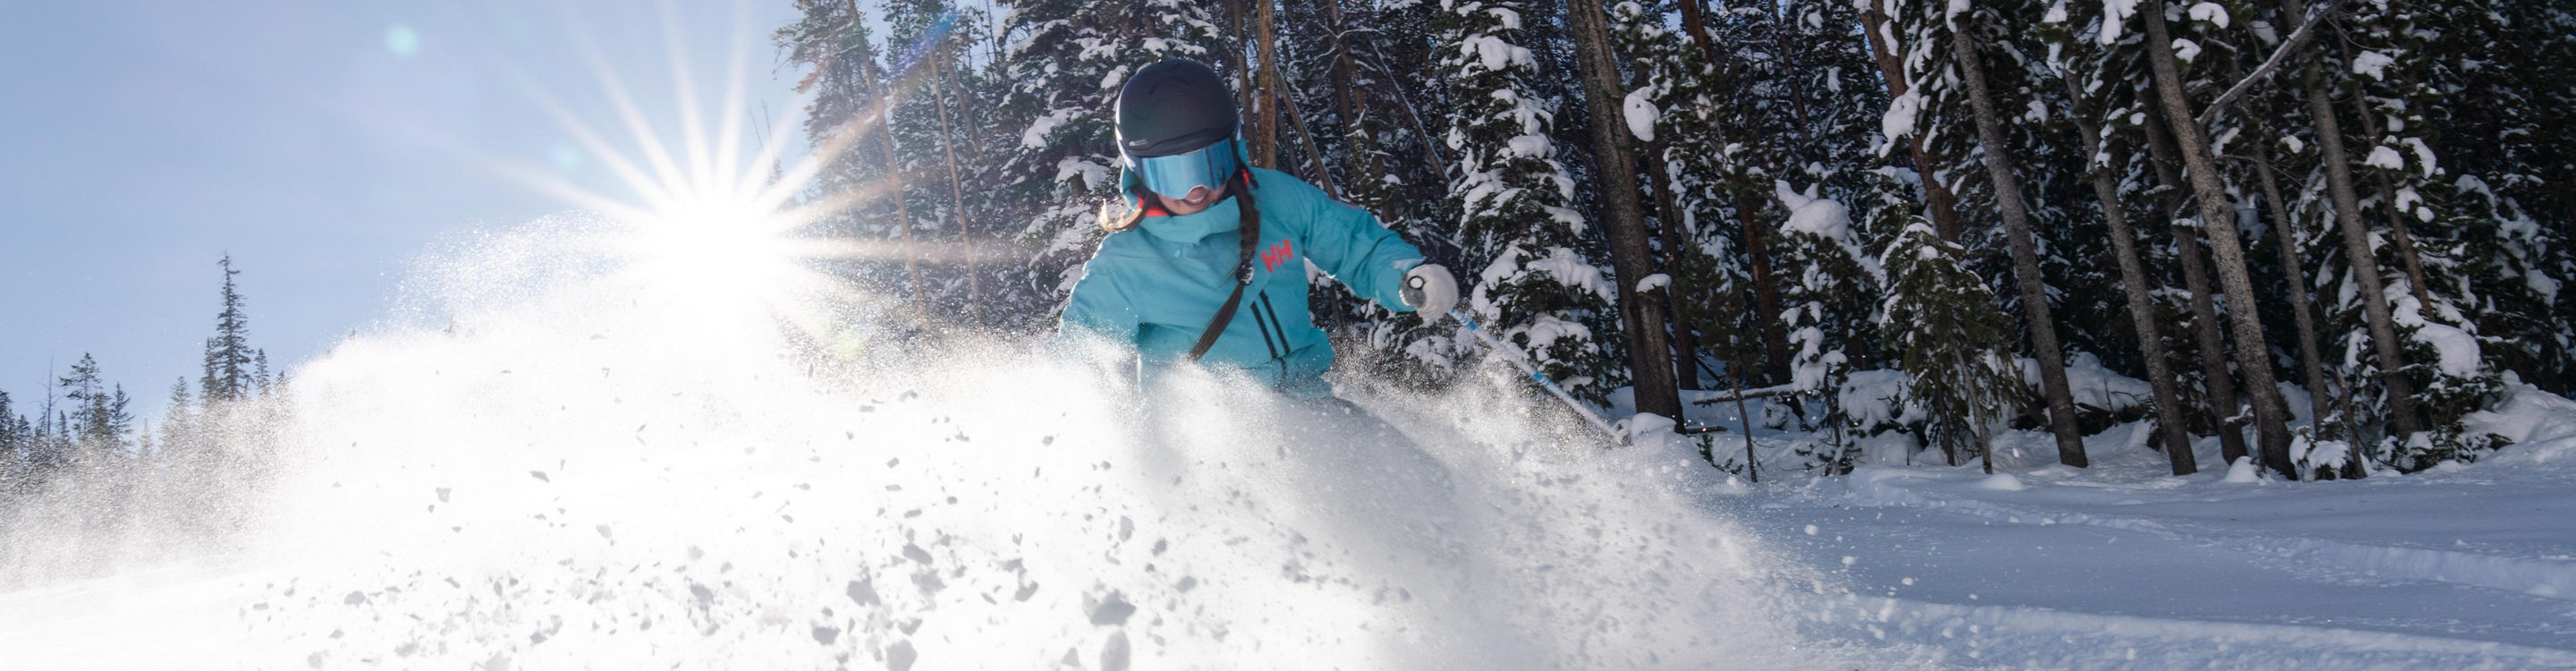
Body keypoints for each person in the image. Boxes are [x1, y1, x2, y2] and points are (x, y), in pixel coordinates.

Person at [1057, 58, 1457, 400]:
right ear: (1140, 169)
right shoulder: (1126, 263)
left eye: (1208, 164)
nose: (1195, 189)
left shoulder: (1278, 199)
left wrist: (1406, 274)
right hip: (1205, 431)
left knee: (1423, 481)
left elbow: (1355, 246)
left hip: (1308, 398)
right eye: (1172, 174)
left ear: (1231, 148)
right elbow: (1082, 360)